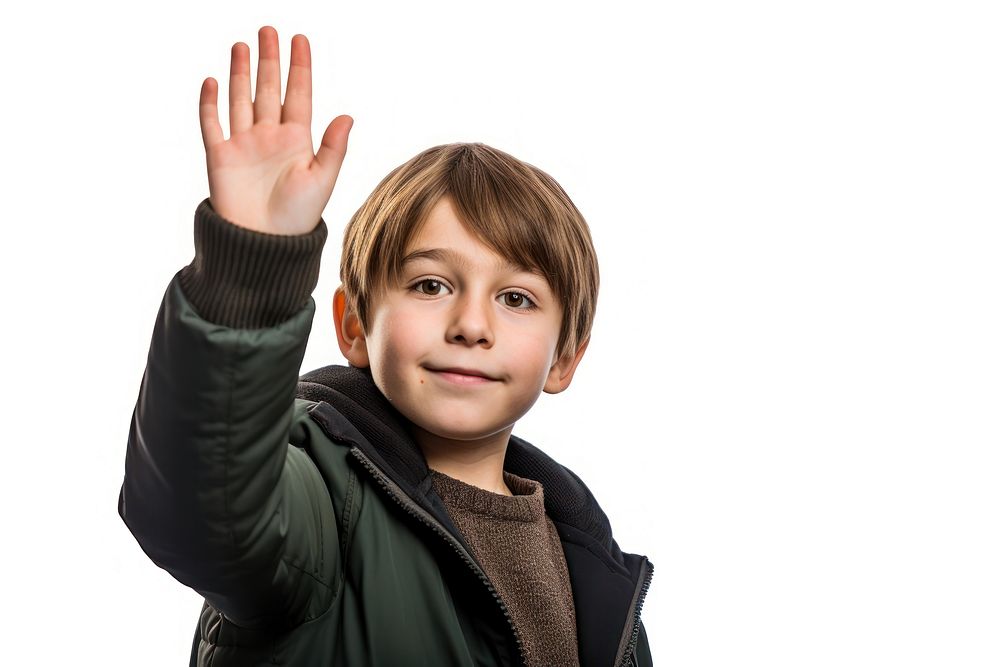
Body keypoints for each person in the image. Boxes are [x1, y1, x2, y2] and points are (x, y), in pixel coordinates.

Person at [119, 25, 654, 667]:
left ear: (566, 356)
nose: (471, 325)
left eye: (515, 299)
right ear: (352, 325)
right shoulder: (319, 504)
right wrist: (250, 268)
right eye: (431, 285)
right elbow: (203, 503)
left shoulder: (589, 562)